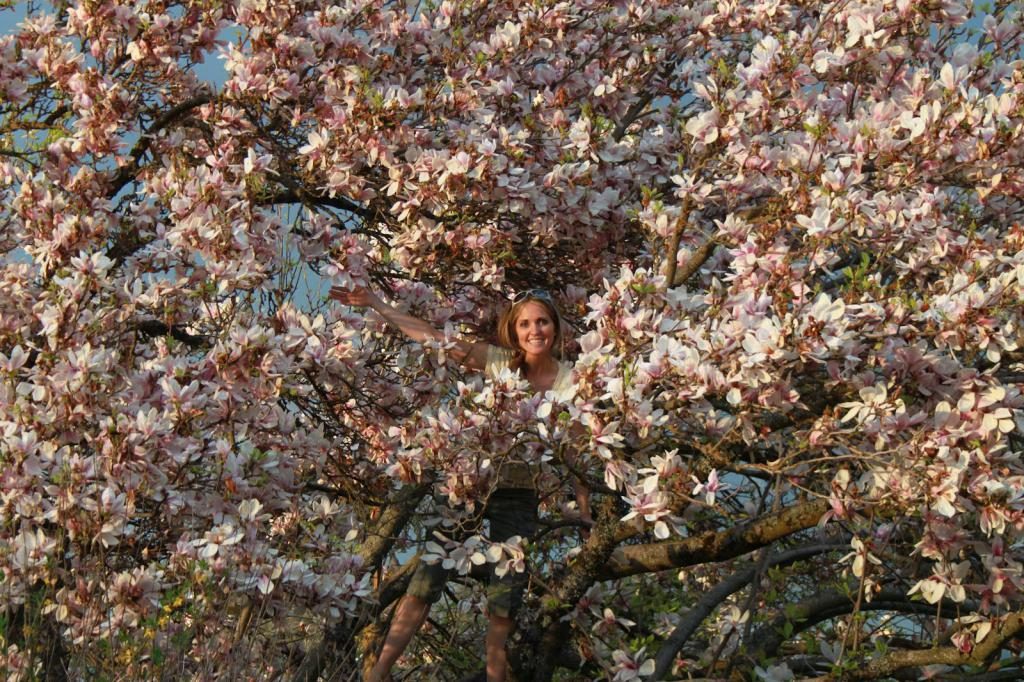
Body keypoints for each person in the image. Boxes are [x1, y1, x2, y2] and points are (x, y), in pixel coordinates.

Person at [328, 284, 591, 682]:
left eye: (541, 322)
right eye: (525, 324)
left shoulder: (572, 381)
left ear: (555, 328)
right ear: (514, 331)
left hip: (521, 494)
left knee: (505, 597)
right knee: (426, 580)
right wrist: (377, 304)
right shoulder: (501, 363)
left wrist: (585, 514)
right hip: (472, 484)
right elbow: (437, 341)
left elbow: (574, 451)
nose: (534, 330)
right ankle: (377, 674)